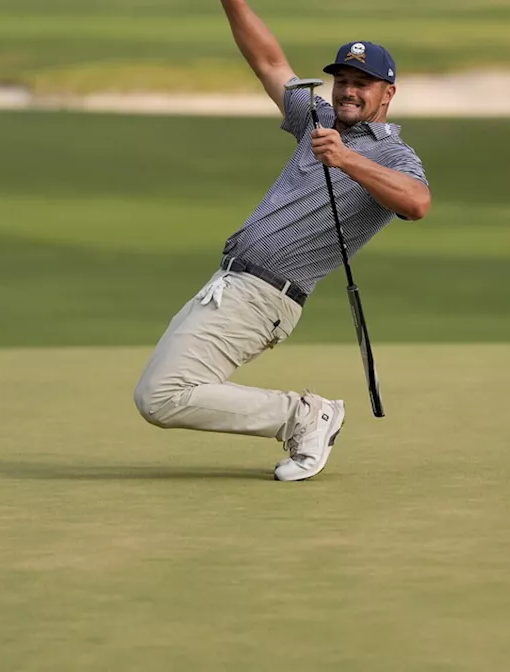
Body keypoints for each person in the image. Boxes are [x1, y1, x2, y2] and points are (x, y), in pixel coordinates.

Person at [132, 0, 432, 481]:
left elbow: (417, 202)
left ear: (387, 93)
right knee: (158, 392)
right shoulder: (315, 119)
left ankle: (304, 416)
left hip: (268, 293)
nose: (349, 92)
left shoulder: (394, 154)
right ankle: (304, 416)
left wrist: (348, 161)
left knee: (162, 396)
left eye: (362, 84)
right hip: (230, 284)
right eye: (343, 81)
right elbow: (269, 61)